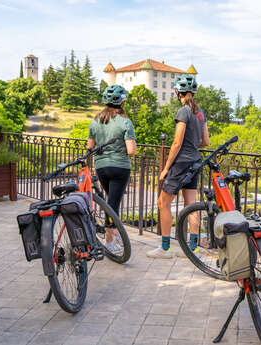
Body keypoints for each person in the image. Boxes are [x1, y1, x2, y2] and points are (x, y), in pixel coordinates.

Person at [146, 74, 209, 259]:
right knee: (191, 204)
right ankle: (192, 247)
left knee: (163, 203)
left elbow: (176, 143)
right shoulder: (200, 113)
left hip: (181, 163)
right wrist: (193, 146)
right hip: (195, 161)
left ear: (177, 92)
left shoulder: (183, 111)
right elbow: (206, 141)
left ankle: (165, 248)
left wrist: (166, 169)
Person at [87, 85, 136, 251]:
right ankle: (109, 242)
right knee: (113, 204)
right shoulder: (125, 122)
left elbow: (90, 146)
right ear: (122, 102)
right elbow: (132, 150)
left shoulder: (95, 121)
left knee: (111, 201)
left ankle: (115, 234)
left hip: (101, 166)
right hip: (120, 167)